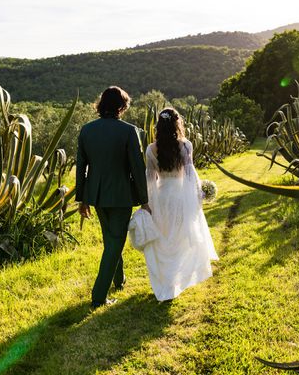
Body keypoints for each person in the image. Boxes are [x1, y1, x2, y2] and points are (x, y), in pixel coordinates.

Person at [76, 86, 150, 308]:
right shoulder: (129, 131)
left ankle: (119, 279)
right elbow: (137, 168)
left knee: (111, 238)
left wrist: (82, 198)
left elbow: (81, 167)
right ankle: (99, 296)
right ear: (121, 107)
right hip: (120, 196)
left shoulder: (86, 130)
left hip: (96, 195)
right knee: (115, 242)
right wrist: (144, 199)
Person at [143, 108, 218, 301]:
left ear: (158, 126)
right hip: (179, 197)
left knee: (164, 239)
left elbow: (150, 179)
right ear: (177, 124)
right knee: (179, 238)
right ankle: (174, 281)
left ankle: (166, 283)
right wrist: (197, 194)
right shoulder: (185, 146)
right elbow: (190, 174)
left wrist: (147, 203)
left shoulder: (151, 149)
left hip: (161, 198)